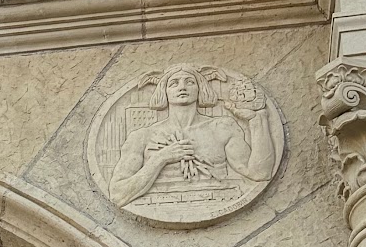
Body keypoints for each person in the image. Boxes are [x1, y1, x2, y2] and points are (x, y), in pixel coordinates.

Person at [109, 68, 274, 208]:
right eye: (174, 83)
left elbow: (259, 173)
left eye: (190, 82)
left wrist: (257, 120)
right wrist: (161, 158)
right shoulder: (142, 136)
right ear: (164, 92)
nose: (182, 87)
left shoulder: (222, 127)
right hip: (163, 205)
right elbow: (118, 194)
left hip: (217, 202)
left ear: (200, 88)